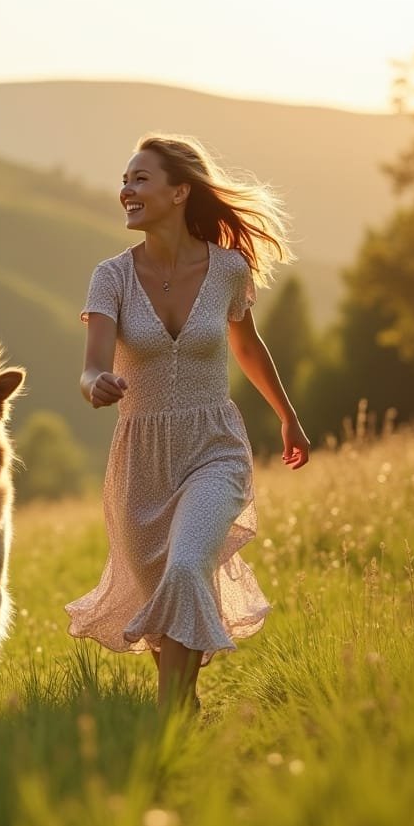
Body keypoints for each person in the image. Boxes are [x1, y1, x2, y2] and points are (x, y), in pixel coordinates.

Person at [66, 133, 310, 711]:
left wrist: (288, 417)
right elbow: (92, 366)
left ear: (180, 192)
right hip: (141, 457)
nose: (126, 189)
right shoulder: (111, 276)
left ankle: (169, 715)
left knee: (185, 565)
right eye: (124, 180)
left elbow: (247, 346)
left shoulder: (228, 269)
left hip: (212, 447)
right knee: (159, 586)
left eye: (140, 178)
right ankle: (184, 704)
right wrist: (95, 384)